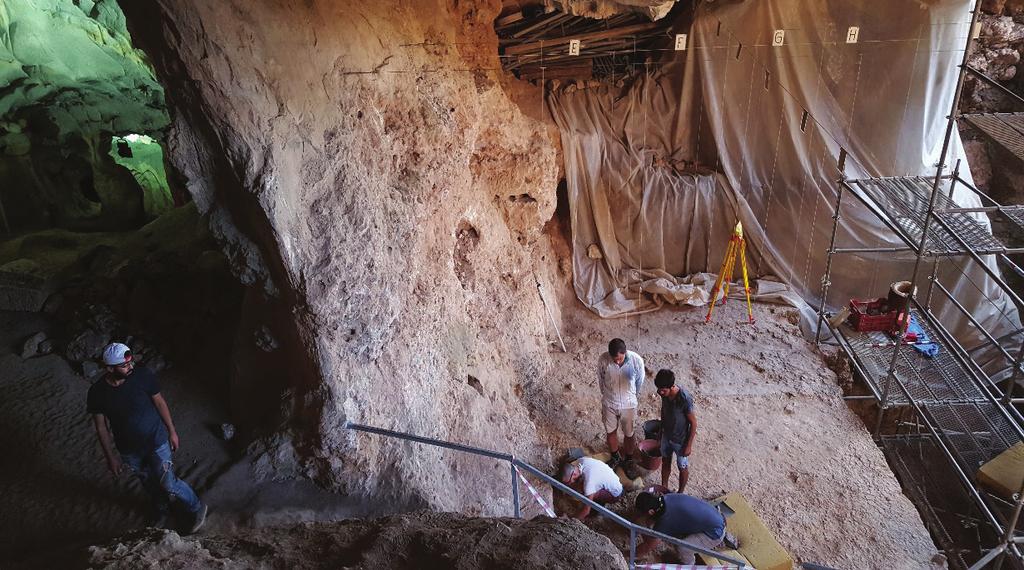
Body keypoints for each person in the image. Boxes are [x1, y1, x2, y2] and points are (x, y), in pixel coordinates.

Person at [87, 342, 207, 532]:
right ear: (109, 368)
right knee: (148, 483)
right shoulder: (97, 393)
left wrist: (172, 431)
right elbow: (101, 427)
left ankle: (196, 508)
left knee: (168, 483)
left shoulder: (142, 376)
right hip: (129, 450)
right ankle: (162, 510)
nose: (130, 367)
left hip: (156, 441)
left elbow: (159, 402)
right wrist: (110, 457)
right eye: (125, 365)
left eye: (130, 363)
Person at [634, 490, 738, 564]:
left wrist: (629, 553)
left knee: (682, 548)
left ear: (651, 512)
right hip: (716, 518)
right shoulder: (668, 497)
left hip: (714, 533)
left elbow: (649, 545)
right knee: (678, 535)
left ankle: (689, 565)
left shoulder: (665, 520)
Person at [597, 338, 645, 468]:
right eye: (615, 359)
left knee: (629, 433)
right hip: (609, 403)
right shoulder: (603, 360)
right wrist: (607, 396)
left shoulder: (636, 361)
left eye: (620, 358)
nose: (617, 361)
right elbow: (601, 380)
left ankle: (629, 458)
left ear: (625, 352)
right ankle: (615, 456)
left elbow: (639, 382)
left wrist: (631, 396)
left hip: (628, 405)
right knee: (610, 431)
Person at [655, 369, 696, 493]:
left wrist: (688, 445)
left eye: (663, 390)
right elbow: (663, 411)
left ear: (672, 386)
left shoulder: (684, 398)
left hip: (680, 440)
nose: (660, 392)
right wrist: (661, 432)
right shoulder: (664, 394)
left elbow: (693, 423)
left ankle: (680, 492)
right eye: (659, 389)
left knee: (682, 466)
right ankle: (664, 488)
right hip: (667, 436)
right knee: (665, 461)